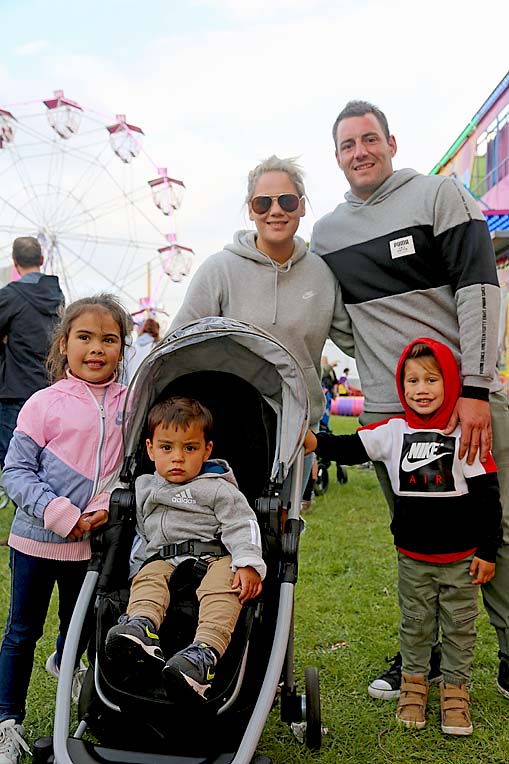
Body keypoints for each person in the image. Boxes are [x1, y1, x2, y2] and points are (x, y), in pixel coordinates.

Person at [310, 99, 509, 700]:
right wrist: (381, 366)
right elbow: (337, 320)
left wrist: (473, 387)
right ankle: (421, 659)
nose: (360, 152)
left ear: (391, 143)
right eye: (348, 144)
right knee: (418, 539)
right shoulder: (327, 234)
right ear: (336, 157)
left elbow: (480, 287)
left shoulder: (439, 196)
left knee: (493, 527)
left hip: (465, 404)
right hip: (387, 411)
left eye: (369, 139)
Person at [307, 338, 502, 735]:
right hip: (413, 560)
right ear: (401, 386)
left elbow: (488, 498)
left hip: (462, 561)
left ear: (450, 383)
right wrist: (313, 442)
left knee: (460, 628)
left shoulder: (463, 434)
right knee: (415, 624)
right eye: (412, 381)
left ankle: (455, 692)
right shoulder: (394, 432)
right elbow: (350, 448)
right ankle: (414, 686)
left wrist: (487, 550)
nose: (421, 389)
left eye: (432, 379)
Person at [169, 155, 352, 491]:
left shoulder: (322, 275)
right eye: (263, 203)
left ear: (301, 206)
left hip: (297, 429)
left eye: (287, 201)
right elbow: (178, 346)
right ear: (250, 210)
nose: (275, 210)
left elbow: (356, 339)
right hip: (228, 425)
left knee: (283, 521)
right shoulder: (220, 270)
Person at [0, 293, 131, 764]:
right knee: (22, 632)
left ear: (122, 348)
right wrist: (60, 514)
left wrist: (101, 510)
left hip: (93, 546)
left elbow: (128, 469)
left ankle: (70, 670)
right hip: (36, 542)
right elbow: (15, 471)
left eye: (109, 339)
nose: (96, 348)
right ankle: (7, 722)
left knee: (81, 628)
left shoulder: (132, 404)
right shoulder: (44, 403)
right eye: (85, 337)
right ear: (63, 344)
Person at [105, 396, 266, 700]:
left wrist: (247, 562)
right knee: (148, 577)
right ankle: (141, 626)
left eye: (190, 448)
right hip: (163, 556)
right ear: (150, 449)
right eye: (167, 448)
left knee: (225, 585)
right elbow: (141, 534)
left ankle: (204, 653)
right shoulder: (145, 488)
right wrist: (135, 569)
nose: (177, 458)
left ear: (207, 450)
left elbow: (242, 524)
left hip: (214, 555)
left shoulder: (218, 488)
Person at [0, 236, 64, 470]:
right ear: (42, 259)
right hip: (50, 387)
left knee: (14, 462)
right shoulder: (57, 295)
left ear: (15, 262)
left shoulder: (9, 296)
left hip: (15, 389)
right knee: (45, 461)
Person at [125, 317, 160, 384]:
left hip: (129, 387)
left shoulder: (131, 347)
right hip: (146, 387)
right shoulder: (156, 347)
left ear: (143, 328)